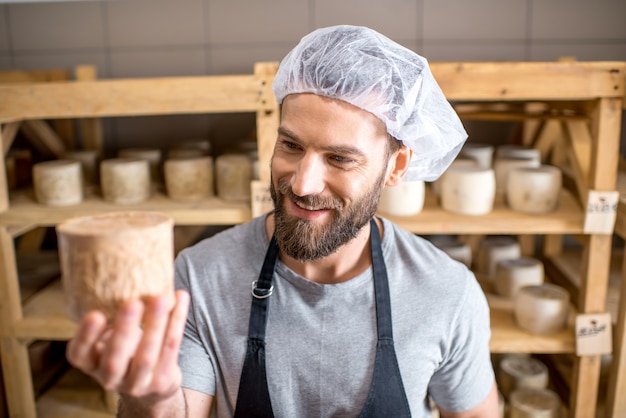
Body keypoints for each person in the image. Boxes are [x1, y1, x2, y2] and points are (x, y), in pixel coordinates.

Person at [67, 25, 499, 417]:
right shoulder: (201, 276)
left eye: (339, 158)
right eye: (291, 146)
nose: (303, 183)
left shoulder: (446, 293)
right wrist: (152, 398)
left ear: (396, 166)